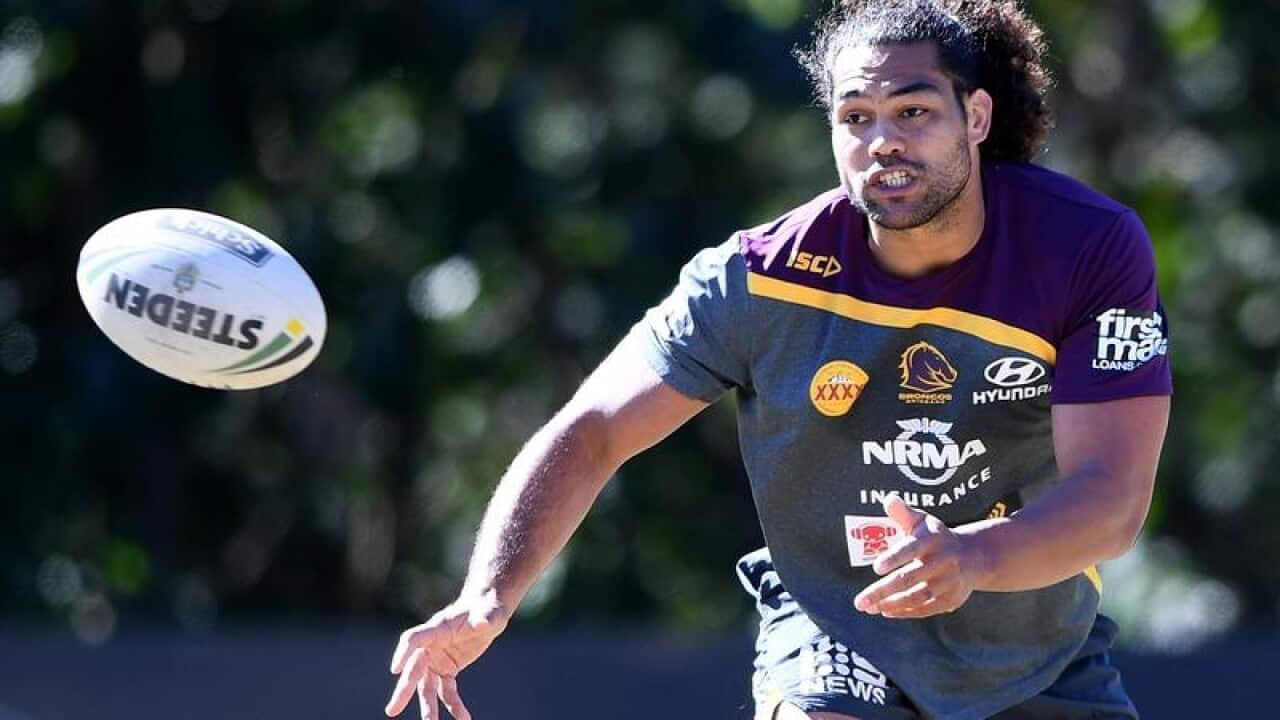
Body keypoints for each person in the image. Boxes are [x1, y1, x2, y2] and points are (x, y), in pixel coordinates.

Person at [384, 0, 1172, 717]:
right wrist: (487, 597)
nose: (883, 141)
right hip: (837, 625)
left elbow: (1112, 497)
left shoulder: (1086, 248)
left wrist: (969, 557)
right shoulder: (760, 276)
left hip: (1037, 649)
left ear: (976, 116)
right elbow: (592, 429)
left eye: (914, 111)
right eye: (854, 116)